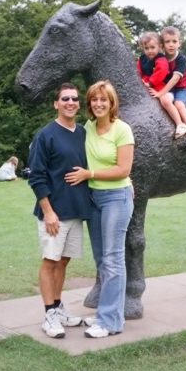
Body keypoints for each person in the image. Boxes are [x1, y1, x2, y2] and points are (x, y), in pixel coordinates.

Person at [65, 80, 134, 338]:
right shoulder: (89, 127)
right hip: (93, 198)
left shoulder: (122, 129)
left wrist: (90, 174)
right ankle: (108, 311)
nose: (99, 103)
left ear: (112, 102)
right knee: (102, 260)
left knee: (114, 259)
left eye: (103, 99)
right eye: (94, 99)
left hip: (116, 197)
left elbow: (124, 170)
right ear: (90, 104)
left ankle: (111, 322)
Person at [27, 83, 92, 339]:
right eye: (65, 98)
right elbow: (36, 177)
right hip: (54, 213)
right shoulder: (46, 135)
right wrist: (48, 212)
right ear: (56, 104)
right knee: (50, 261)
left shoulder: (82, 133)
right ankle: (49, 315)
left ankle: (59, 306)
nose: (70, 102)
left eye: (75, 98)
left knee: (63, 261)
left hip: (75, 210)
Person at [149, 26, 186, 150]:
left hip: (183, 88)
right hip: (169, 88)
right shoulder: (160, 58)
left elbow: (175, 79)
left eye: (174, 41)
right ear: (162, 44)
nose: (171, 45)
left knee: (179, 104)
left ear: (180, 43)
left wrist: (160, 92)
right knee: (165, 101)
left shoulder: (181, 60)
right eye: (167, 42)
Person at [136, 31, 186, 138]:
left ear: (159, 47)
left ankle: (180, 124)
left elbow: (161, 72)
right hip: (147, 87)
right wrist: (139, 82)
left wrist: (150, 83)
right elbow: (138, 72)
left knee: (166, 101)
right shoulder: (142, 59)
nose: (150, 51)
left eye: (152, 47)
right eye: (146, 48)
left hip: (163, 88)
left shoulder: (161, 59)